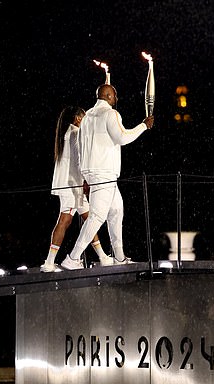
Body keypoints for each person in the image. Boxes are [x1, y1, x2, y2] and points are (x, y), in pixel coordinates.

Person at [61, 84, 154, 270]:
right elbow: (122, 137)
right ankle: (72, 258)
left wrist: (85, 173)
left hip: (95, 173)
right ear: (109, 96)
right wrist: (144, 125)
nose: (117, 99)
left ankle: (119, 258)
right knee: (97, 217)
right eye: (115, 95)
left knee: (116, 211)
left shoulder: (86, 117)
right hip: (104, 174)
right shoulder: (111, 114)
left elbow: (80, 146)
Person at [40, 105, 111, 272]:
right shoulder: (75, 133)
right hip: (71, 186)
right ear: (78, 119)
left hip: (72, 185)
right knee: (65, 220)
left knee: (90, 219)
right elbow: (80, 161)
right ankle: (49, 262)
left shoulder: (68, 133)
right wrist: (87, 180)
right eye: (84, 117)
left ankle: (102, 256)